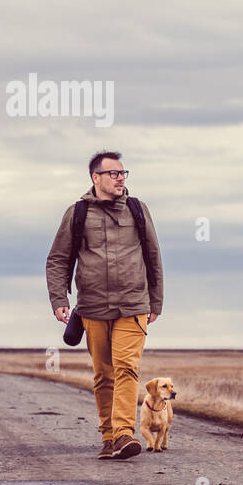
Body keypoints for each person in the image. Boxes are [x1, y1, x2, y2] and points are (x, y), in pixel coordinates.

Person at [45, 151, 164, 460]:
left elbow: (153, 256)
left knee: (127, 367)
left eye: (124, 172)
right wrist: (60, 299)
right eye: (113, 173)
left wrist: (156, 301)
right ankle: (109, 437)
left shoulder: (138, 210)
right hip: (93, 308)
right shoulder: (77, 213)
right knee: (104, 374)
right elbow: (58, 259)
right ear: (95, 178)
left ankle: (125, 433)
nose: (120, 177)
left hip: (133, 305)